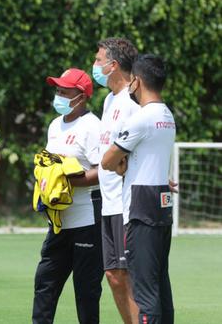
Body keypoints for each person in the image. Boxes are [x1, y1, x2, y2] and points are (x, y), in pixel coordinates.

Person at [101, 54, 176, 324]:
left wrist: (120, 165)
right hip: (161, 202)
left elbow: (107, 160)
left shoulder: (141, 119)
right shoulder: (167, 115)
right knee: (159, 284)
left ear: (137, 81)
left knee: (144, 289)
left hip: (140, 206)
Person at [32, 68, 104, 324]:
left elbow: (103, 170)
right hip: (60, 221)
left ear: (81, 96)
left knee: (86, 291)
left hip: (88, 219)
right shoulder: (55, 125)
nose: (58, 95)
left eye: (65, 91)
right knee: (45, 283)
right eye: (57, 90)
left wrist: (67, 182)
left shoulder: (93, 126)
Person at [92, 37, 139, 323]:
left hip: (127, 203)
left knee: (129, 275)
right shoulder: (109, 100)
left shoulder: (133, 100)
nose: (95, 66)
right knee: (113, 275)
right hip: (108, 202)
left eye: (98, 61)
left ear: (114, 65)